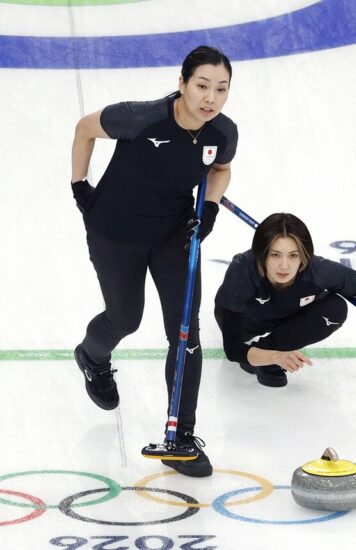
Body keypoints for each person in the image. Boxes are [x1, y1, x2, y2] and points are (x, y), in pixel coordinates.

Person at [70, 45, 238, 478]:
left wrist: (212, 208)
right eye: (202, 86)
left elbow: (221, 169)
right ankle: (92, 356)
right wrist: (79, 186)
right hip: (115, 235)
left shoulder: (223, 132)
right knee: (125, 318)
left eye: (221, 89)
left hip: (174, 237)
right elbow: (84, 128)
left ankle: (180, 438)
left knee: (186, 332)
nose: (211, 98)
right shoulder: (140, 117)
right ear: (181, 84)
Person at [215, 213, 356, 387]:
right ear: (262, 253)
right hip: (247, 322)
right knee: (243, 351)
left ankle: (265, 349)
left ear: (304, 255)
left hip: (288, 314)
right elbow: (233, 349)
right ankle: (262, 357)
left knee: (336, 308)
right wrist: (276, 357)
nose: (284, 265)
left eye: (293, 255)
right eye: (275, 255)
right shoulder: (242, 270)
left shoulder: (318, 270)